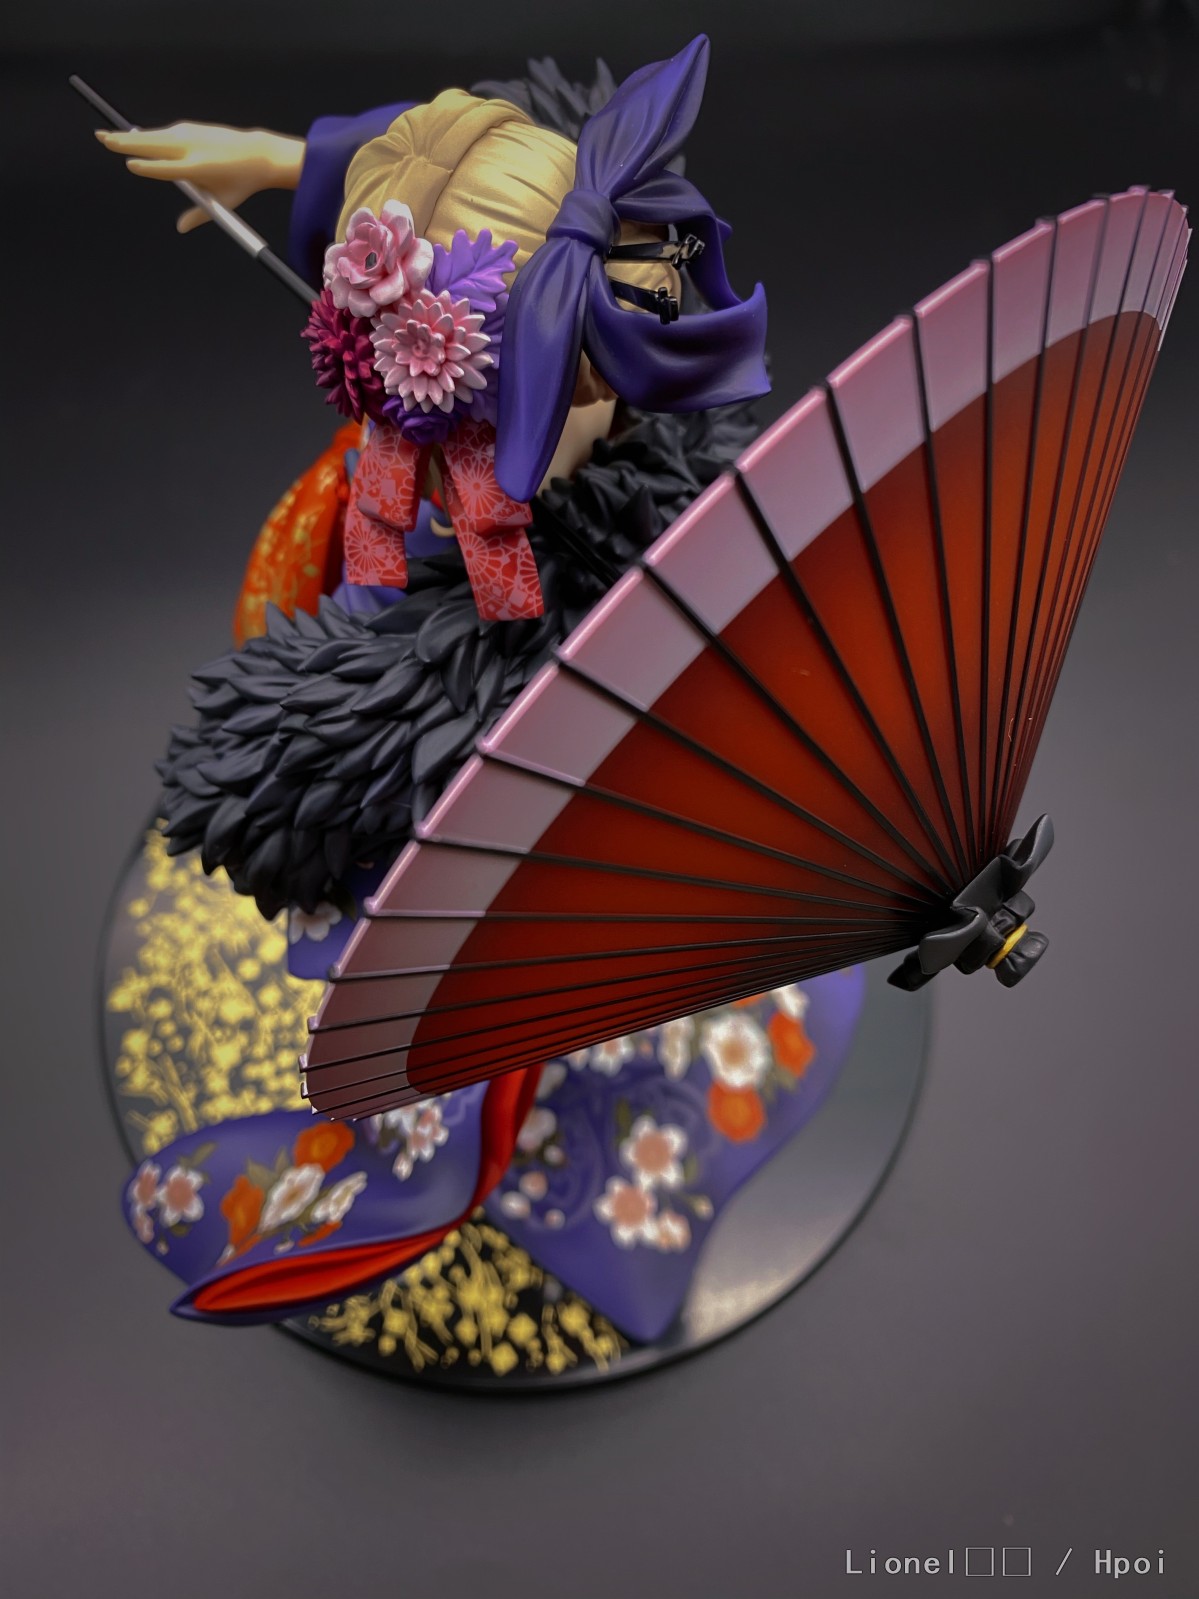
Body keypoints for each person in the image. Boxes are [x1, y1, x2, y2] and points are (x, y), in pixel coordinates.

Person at [102, 38, 866, 1343]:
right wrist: (286, 162)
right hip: (437, 646)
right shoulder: (442, 460)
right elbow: (451, 167)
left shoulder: (605, 416)